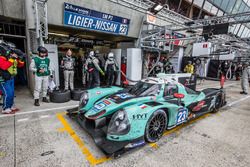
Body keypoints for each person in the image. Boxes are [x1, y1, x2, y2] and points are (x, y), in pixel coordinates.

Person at [0, 48, 24, 114]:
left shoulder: (13, 58)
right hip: (3, 79)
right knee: (8, 93)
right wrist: (12, 59)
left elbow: (20, 65)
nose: (16, 55)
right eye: (16, 54)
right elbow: (4, 66)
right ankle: (5, 108)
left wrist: (21, 59)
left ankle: (10, 106)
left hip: (11, 78)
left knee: (12, 93)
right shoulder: (2, 58)